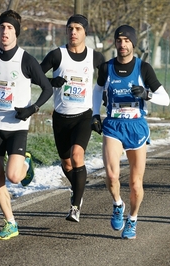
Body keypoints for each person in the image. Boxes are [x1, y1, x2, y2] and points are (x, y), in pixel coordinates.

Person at [0, 10, 53, 239]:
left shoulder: (26, 60)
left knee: (14, 177)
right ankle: (11, 223)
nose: (5, 32)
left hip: (17, 126)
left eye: (9, 28)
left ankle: (26, 162)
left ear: (16, 32)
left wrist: (32, 108)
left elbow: (47, 88)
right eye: (2, 27)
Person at [91, 25, 170, 239]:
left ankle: (132, 219)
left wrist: (146, 94)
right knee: (111, 174)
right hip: (113, 125)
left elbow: (166, 98)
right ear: (115, 43)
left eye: (127, 40)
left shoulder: (143, 68)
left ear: (133, 44)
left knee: (136, 184)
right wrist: (95, 115)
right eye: (119, 40)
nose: (122, 44)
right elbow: (98, 90)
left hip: (136, 126)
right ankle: (118, 204)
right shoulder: (107, 68)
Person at [40, 14, 105, 223]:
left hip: (83, 115)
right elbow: (35, 76)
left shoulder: (95, 57)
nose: (73, 32)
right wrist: (51, 81)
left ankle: (75, 206)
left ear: (85, 31)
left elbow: (106, 81)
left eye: (77, 28)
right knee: (67, 165)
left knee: (78, 156)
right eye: (70, 28)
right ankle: (78, 189)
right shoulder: (56, 55)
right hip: (60, 117)